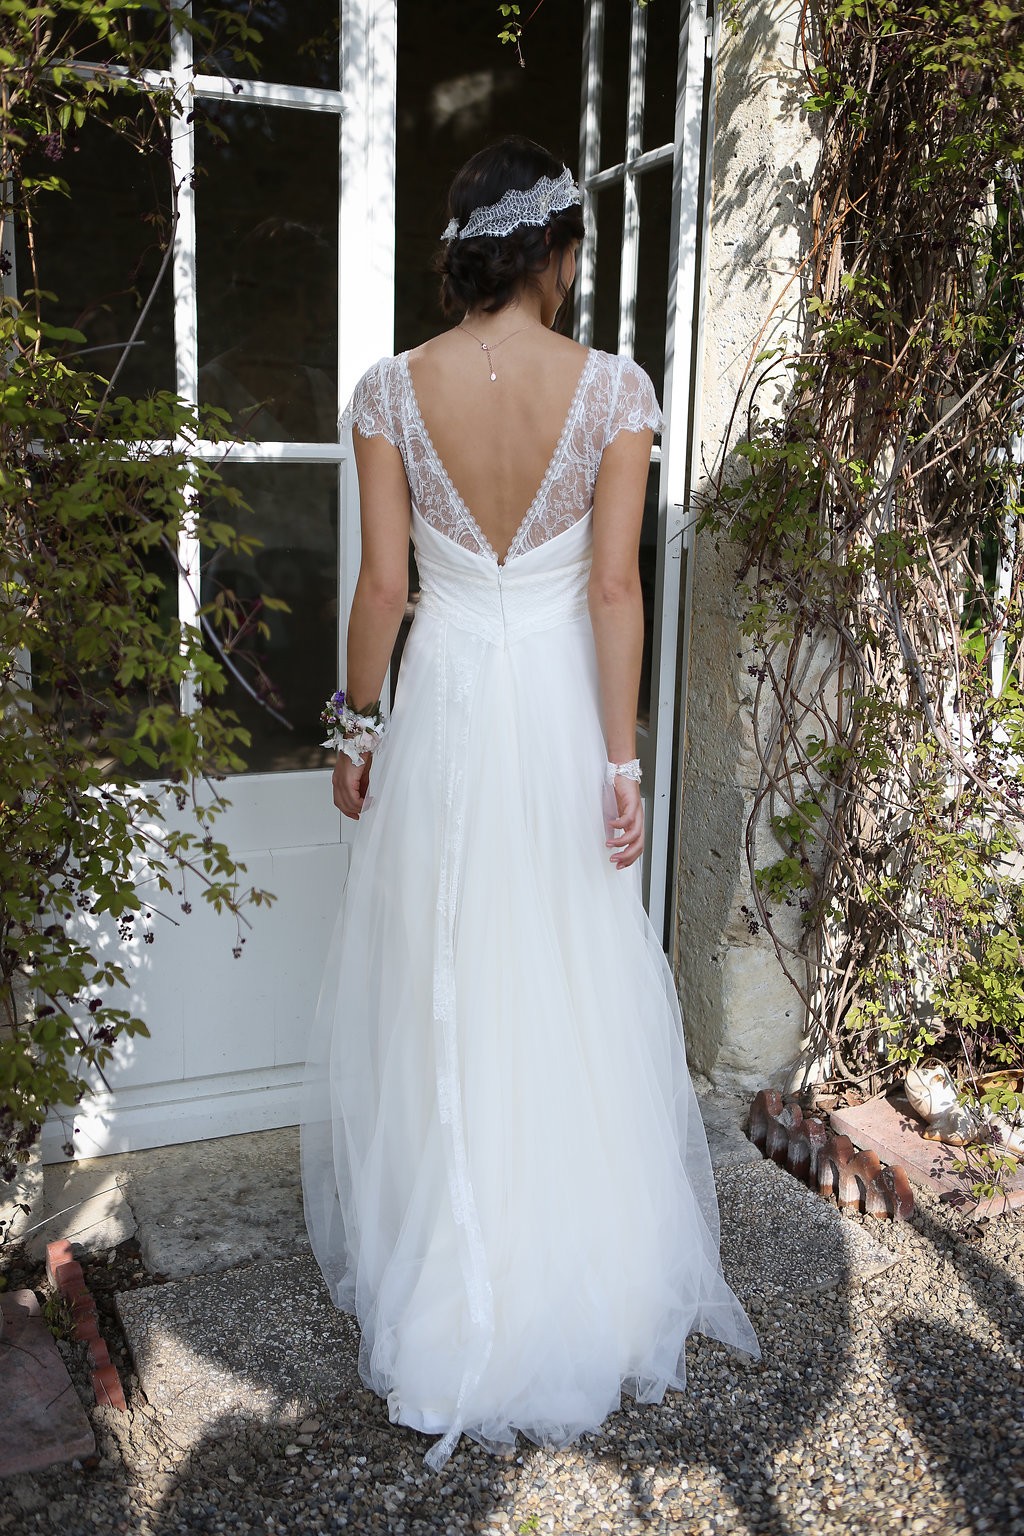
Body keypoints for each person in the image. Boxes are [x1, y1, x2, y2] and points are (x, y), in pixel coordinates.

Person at [301, 135, 761, 1473]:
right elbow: (615, 590)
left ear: (465, 250)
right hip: (557, 714)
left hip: (445, 706)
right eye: (573, 253)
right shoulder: (615, 389)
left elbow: (384, 589)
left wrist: (355, 728)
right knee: (563, 968)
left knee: (444, 970)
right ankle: (576, 1269)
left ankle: (452, 1268)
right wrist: (622, 766)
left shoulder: (390, 390)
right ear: (555, 252)